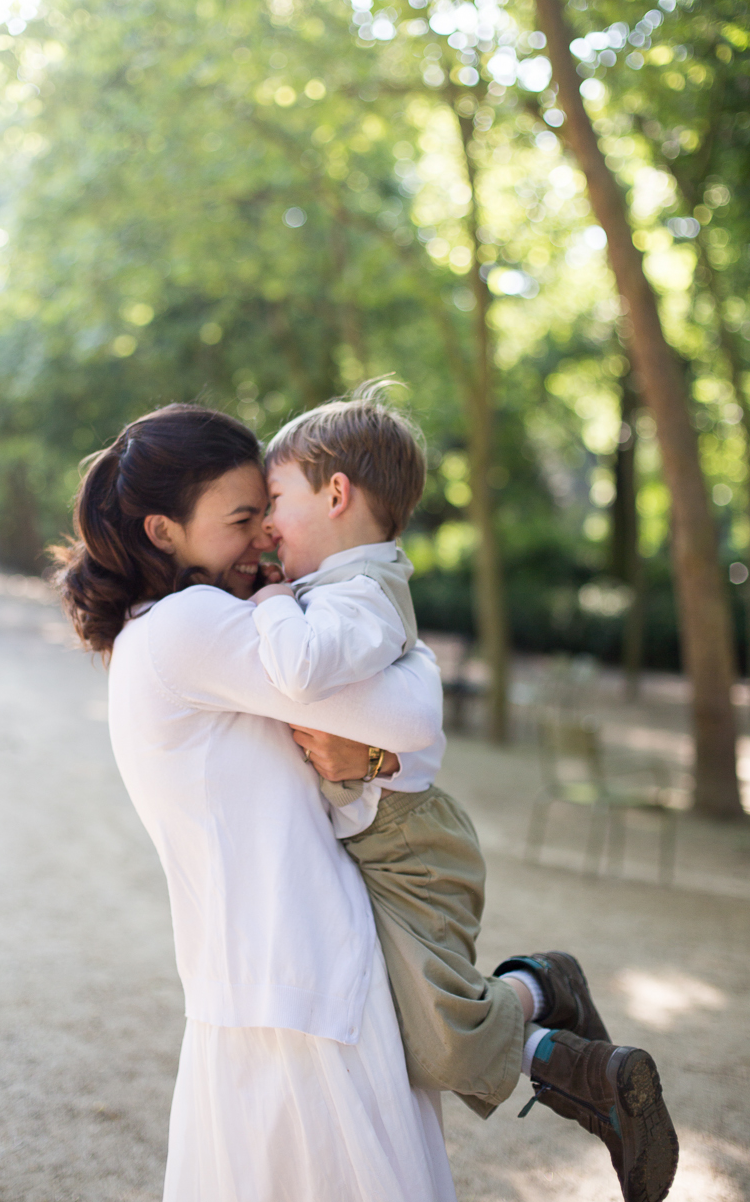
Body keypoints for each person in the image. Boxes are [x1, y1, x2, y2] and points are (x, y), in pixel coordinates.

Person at [248, 384, 679, 1202]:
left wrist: (267, 602)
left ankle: (545, 989)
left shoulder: (362, 596)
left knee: (439, 1044)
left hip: (412, 842)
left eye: (275, 500)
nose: (267, 524)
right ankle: (578, 1057)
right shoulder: (337, 590)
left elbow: (300, 670)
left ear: (336, 494)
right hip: (384, 834)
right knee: (405, 1022)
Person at [52, 402, 458, 1202]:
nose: (266, 535)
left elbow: (391, 741)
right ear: (164, 532)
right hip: (302, 977)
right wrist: (416, 665)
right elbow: (412, 719)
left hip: (265, 980)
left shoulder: (169, 630)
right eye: (245, 517)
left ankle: (536, 1015)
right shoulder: (194, 626)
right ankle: (537, 1011)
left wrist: (377, 750)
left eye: (268, 510)